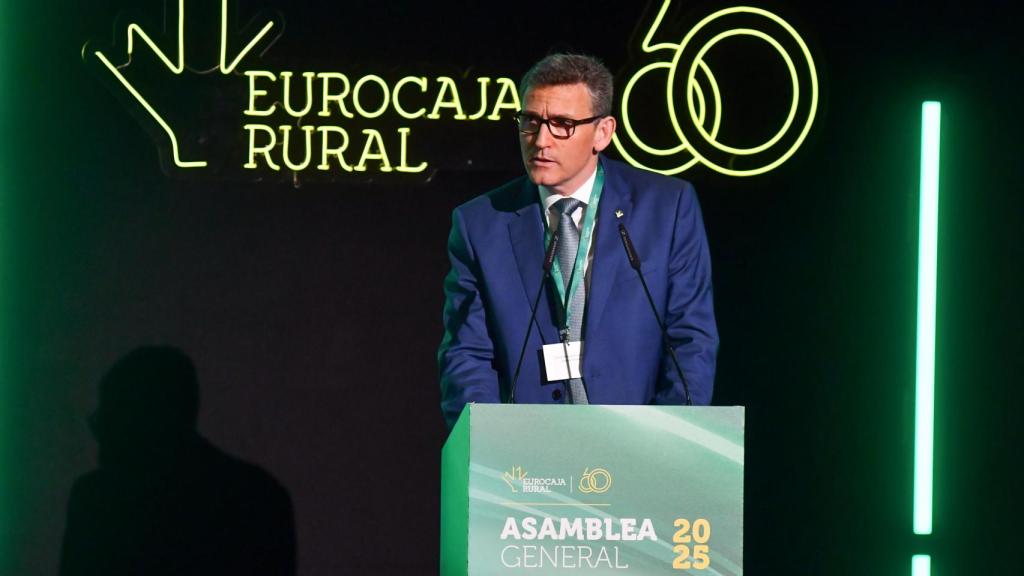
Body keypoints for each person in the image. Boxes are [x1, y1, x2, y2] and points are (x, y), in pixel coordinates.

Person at [438, 54, 718, 429]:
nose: (541, 140)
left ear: (602, 132)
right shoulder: (480, 224)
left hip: (640, 448)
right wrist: (492, 442)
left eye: (562, 125)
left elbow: (690, 340)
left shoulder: (667, 208)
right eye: (530, 121)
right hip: (525, 461)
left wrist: (668, 443)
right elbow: (466, 355)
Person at [59, 347, 296, 576]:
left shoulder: (94, 501)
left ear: (144, 419)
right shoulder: (258, 497)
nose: (99, 430)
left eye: (110, 416)